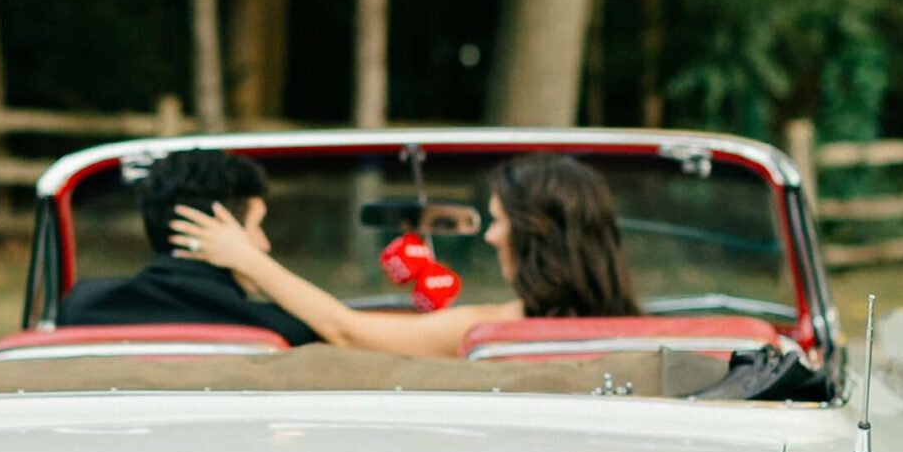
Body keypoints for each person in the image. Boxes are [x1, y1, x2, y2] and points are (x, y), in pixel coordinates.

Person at [167, 152, 639, 358]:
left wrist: (247, 259)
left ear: (535, 234)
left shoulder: (490, 332)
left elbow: (344, 330)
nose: (492, 237)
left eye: (498, 222)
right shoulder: (647, 336)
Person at [58, 147, 325, 345]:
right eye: (257, 226)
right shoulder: (285, 330)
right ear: (221, 228)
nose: (264, 244)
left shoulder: (82, 308)